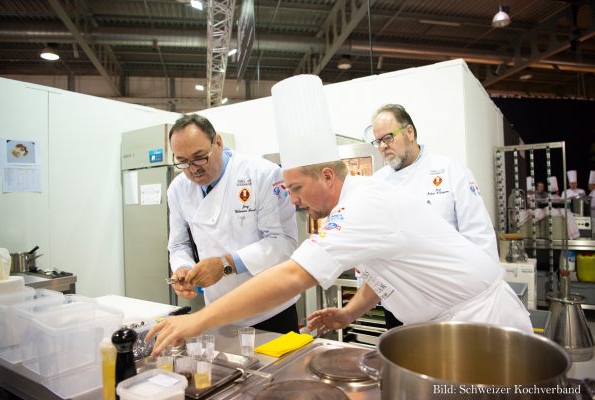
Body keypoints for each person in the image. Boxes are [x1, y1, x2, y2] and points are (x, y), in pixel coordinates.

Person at [146, 75, 532, 355]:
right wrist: (348, 313)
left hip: (481, 324)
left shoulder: (361, 206)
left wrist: (195, 321)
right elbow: (384, 274)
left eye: (296, 189)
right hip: (447, 324)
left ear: (327, 175)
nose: (294, 201)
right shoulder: (360, 199)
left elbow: (293, 274)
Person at [364, 103, 498, 329]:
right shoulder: (377, 183)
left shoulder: (450, 171)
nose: (383, 147)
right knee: (399, 362)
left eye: (388, 138)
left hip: (446, 305)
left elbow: (479, 237)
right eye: (377, 142)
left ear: (409, 132)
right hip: (398, 305)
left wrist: (482, 302)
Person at [166, 114, 299, 333]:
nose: (193, 168)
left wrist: (226, 264)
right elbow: (178, 245)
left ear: (218, 142)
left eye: (200, 157)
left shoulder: (262, 174)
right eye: (182, 161)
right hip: (219, 312)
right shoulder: (178, 189)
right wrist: (183, 269)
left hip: (271, 311)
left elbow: (283, 242)